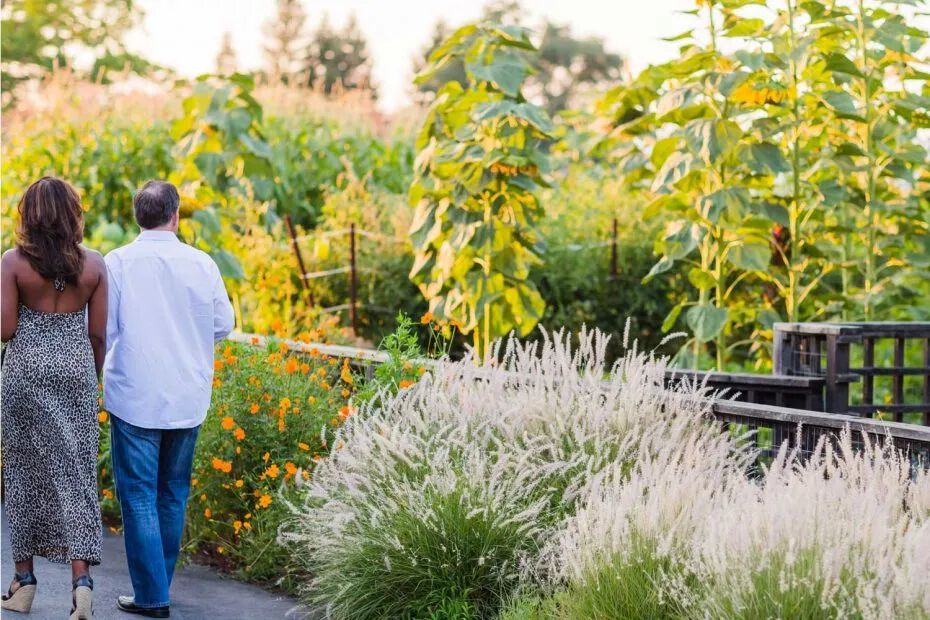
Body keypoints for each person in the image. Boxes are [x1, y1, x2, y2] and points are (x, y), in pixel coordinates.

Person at [104, 180, 234, 618]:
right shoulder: (202, 264)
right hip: (186, 395)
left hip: (135, 395)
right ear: (175, 215)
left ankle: (151, 596)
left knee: (138, 496)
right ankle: (158, 588)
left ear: (138, 216)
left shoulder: (118, 262)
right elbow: (224, 323)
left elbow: (106, 330)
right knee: (172, 494)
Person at [1, 177, 107, 619]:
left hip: (24, 374)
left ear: (30, 215)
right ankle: (81, 584)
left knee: (23, 475)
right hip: (76, 374)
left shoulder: (13, 263)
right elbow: (99, 334)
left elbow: (5, 329)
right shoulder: (95, 265)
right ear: (73, 213)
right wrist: (88, 377)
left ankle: (24, 582)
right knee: (76, 476)